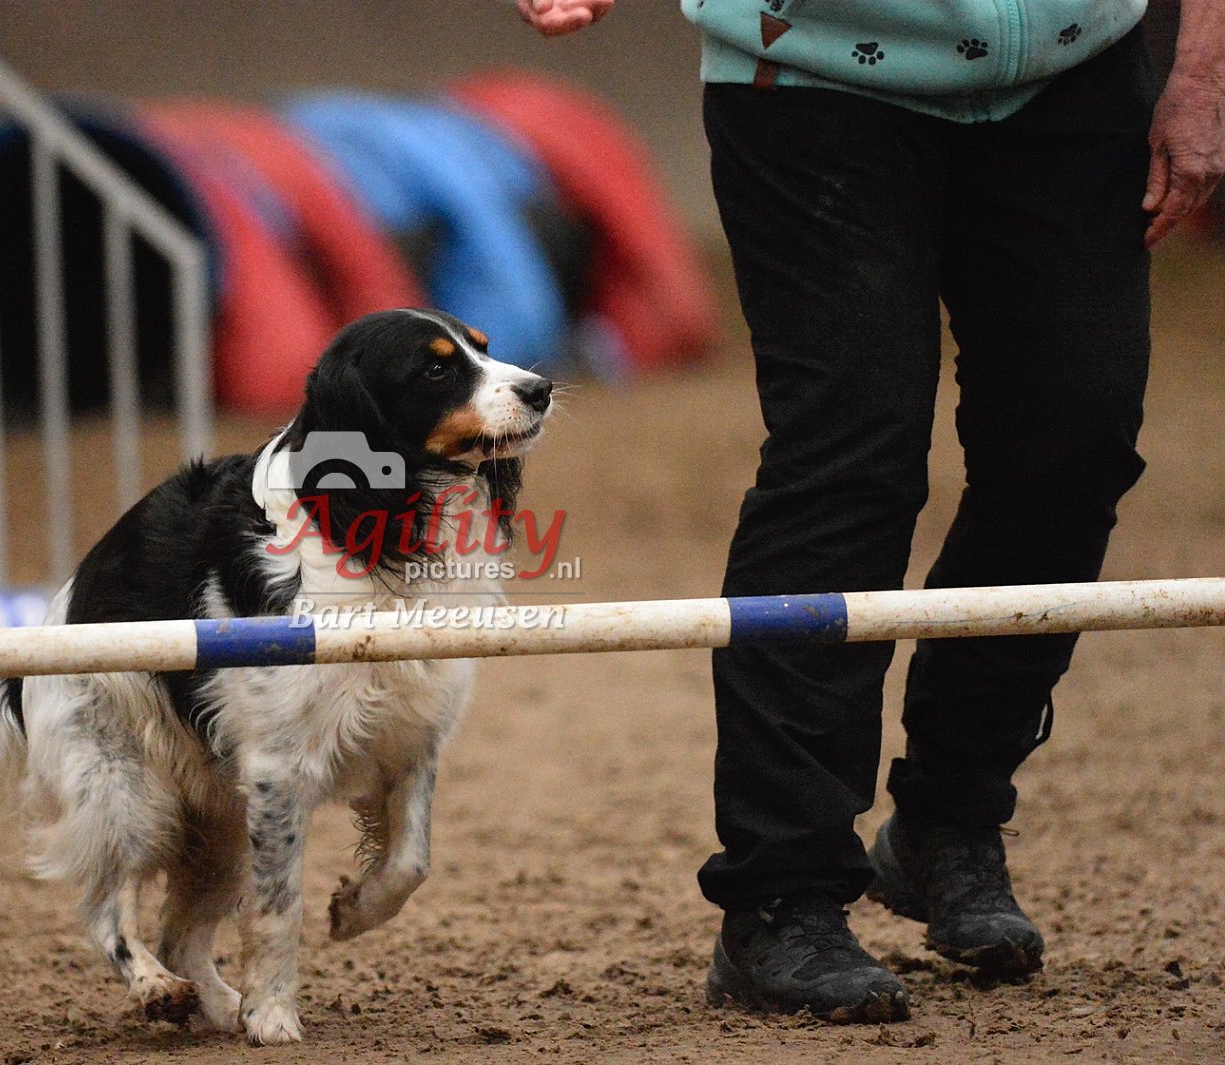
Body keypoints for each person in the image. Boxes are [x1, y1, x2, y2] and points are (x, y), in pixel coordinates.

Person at [516, 0, 1225, 1022]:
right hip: (811, 73)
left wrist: (1203, 71)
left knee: (1073, 444)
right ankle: (781, 896)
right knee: (849, 458)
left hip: (1073, 70)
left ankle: (950, 819)